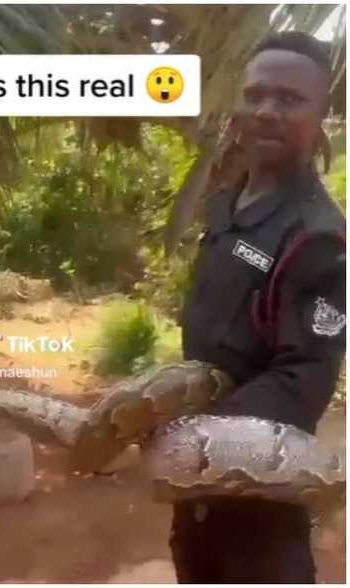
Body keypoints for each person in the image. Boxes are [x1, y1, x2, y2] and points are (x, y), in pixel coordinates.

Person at [174, 31, 345, 583]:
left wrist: (189, 436)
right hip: (196, 498)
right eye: (255, 95)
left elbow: (304, 379)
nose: (267, 110)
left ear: (321, 115)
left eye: (290, 99)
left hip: (260, 501)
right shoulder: (227, 205)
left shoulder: (318, 238)